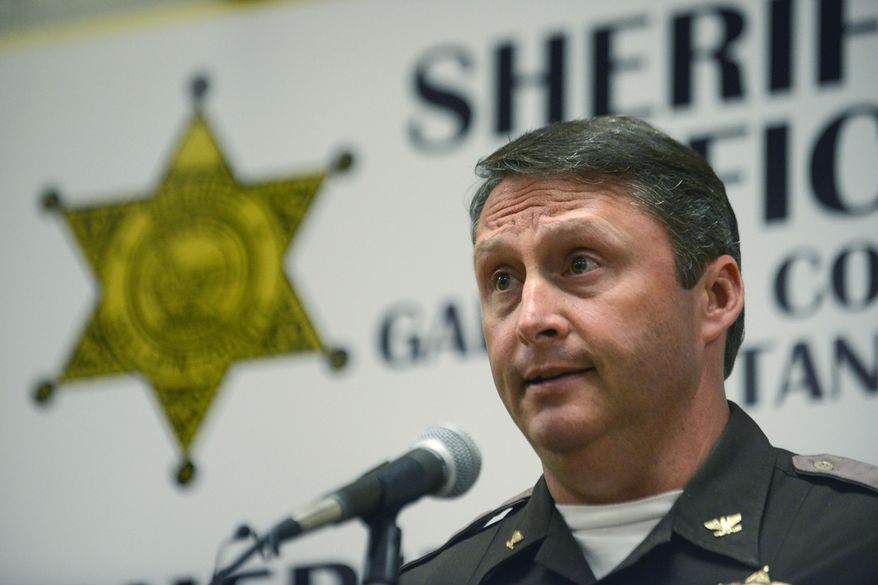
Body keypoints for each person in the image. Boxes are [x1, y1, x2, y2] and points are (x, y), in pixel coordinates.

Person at [399, 117, 878, 585]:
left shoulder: (858, 539)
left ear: (716, 297)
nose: (531, 319)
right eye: (503, 279)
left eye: (580, 263)